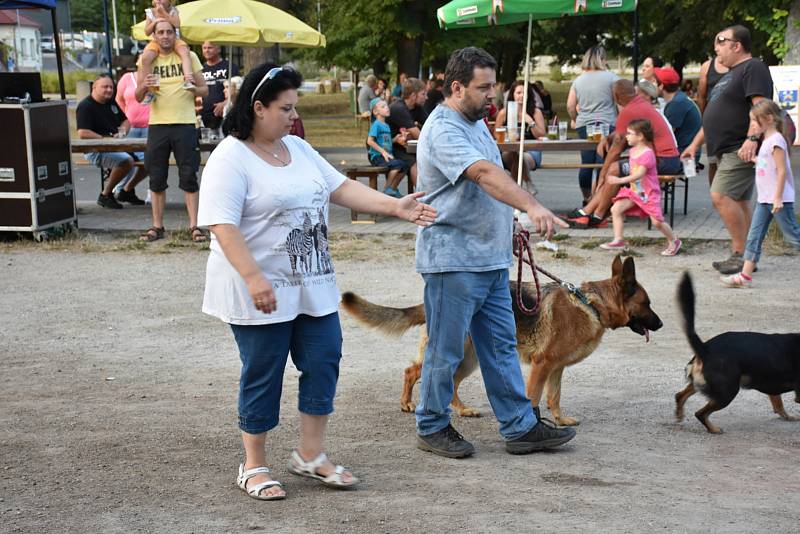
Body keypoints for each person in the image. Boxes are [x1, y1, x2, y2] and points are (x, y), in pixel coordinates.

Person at [197, 63, 436, 500]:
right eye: (286, 108)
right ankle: (253, 464)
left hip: (312, 283)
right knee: (263, 371)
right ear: (258, 107)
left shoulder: (297, 148)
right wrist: (253, 278)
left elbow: (340, 188)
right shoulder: (229, 158)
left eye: (295, 107)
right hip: (259, 289)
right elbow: (222, 225)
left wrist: (395, 207)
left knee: (324, 360)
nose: (293, 116)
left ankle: (310, 455)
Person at [414, 46, 575, 459]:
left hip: (489, 258)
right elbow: (484, 174)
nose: (492, 96)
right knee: (445, 350)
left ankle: (520, 426)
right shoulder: (443, 129)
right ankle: (431, 424)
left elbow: (494, 174)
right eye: (483, 88)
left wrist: (511, 223)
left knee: (501, 347)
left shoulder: (475, 122)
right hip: (452, 260)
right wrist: (532, 205)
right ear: (456, 87)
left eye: (493, 87)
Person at [681, 25, 774, 275]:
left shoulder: (753, 67)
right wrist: (694, 145)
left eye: (721, 43)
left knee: (720, 195)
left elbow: (762, 106)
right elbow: (713, 114)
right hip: (726, 148)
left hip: (739, 147)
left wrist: (752, 138)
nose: (716, 49)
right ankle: (748, 256)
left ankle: (740, 254)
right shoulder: (729, 75)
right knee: (740, 200)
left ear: (737, 45)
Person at [567, 79, 681, 228]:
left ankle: (596, 215)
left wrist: (602, 173)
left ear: (616, 96)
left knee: (613, 169)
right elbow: (620, 135)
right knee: (615, 170)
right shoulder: (639, 103)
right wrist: (608, 137)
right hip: (667, 159)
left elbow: (616, 148)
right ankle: (589, 213)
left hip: (662, 161)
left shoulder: (628, 111)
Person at [135, 19, 208, 242]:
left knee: (189, 175)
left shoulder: (189, 56)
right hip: (158, 124)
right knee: (156, 176)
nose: (165, 36)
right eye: (160, 32)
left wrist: (194, 88)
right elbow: (138, 97)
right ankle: (157, 226)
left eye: (169, 32)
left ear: (175, 33)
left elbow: (204, 90)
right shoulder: (147, 59)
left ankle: (194, 226)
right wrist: (145, 85)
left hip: (185, 123)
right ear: (154, 36)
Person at [720, 99, 800, 288]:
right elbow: (768, 166)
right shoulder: (767, 141)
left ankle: (744, 276)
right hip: (765, 199)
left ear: (769, 119)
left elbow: (781, 171)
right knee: (754, 237)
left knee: (793, 236)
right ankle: (744, 277)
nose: (752, 125)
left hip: (777, 200)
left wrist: (778, 198)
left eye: (755, 121)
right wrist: (755, 159)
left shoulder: (776, 141)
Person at [599, 119, 682, 256]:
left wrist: (619, 180)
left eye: (630, 133)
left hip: (649, 193)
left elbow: (639, 174)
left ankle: (674, 240)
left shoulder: (647, 154)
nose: (626, 136)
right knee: (616, 209)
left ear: (640, 136)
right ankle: (618, 240)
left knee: (657, 222)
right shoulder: (633, 151)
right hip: (635, 192)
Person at [77, 74, 148, 209]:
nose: (109, 90)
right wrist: (104, 140)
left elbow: (126, 121)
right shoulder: (86, 106)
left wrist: (122, 132)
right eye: (105, 87)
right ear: (94, 87)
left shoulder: (111, 103)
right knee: (126, 161)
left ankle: (126, 191)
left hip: (117, 147)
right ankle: (105, 195)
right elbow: (82, 133)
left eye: (111, 87)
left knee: (151, 159)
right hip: (95, 150)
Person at [567, 45, 619, 203]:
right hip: (607, 124)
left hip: (584, 125)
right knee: (603, 162)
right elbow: (620, 104)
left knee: (586, 162)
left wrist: (575, 119)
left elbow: (570, 105)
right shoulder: (612, 78)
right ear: (602, 59)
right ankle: (600, 199)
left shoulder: (578, 80)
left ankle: (586, 198)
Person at [493, 80, 546, 190]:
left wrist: (530, 122)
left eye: (524, 92)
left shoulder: (535, 112)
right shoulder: (504, 113)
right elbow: (496, 135)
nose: (521, 96)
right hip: (508, 151)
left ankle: (513, 197)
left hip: (531, 151)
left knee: (518, 158)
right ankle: (529, 183)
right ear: (513, 94)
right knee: (515, 153)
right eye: (518, 93)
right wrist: (508, 136)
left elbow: (541, 134)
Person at [139, 0, 195, 103]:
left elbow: (177, 24)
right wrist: (155, 21)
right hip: (156, 42)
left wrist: (163, 13)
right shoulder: (150, 12)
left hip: (175, 39)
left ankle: (188, 79)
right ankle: (150, 90)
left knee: (184, 52)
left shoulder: (173, 10)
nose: (159, 0)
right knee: (146, 58)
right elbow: (147, 32)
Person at [113, 69, 151, 205]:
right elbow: (119, 99)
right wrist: (126, 116)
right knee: (129, 159)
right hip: (131, 127)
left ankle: (127, 189)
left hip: (150, 126)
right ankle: (119, 190)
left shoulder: (154, 77)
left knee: (146, 160)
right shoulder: (127, 78)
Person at [387, 77, 427, 188]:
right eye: (423, 94)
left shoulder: (417, 108)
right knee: (413, 161)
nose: (426, 97)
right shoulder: (398, 108)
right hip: (388, 146)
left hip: (403, 145)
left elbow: (430, 126)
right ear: (413, 96)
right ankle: (422, 196)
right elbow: (418, 135)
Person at [697, 56, 730, 186]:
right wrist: (705, 117)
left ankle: (728, 196)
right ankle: (715, 196)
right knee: (713, 162)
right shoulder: (707, 66)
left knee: (730, 161)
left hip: (733, 120)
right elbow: (702, 96)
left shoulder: (740, 65)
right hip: (714, 122)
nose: (719, 48)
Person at [367, 97, 409, 198]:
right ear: (376, 111)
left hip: (387, 155)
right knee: (397, 165)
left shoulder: (386, 125)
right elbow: (370, 141)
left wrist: (395, 139)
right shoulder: (376, 125)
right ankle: (387, 189)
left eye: (387, 106)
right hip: (377, 156)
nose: (387, 108)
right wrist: (383, 152)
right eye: (383, 106)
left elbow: (386, 140)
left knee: (405, 165)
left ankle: (393, 188)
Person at [654, 67, 702, 155]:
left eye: (655, 82)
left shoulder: (676, 104)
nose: (652, 84)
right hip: (685, 151)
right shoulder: (679, 98)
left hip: (683, 155)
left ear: (661, 86)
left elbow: (664, 135)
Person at [200, 41, 239, 130]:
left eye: (210, 48)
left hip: (225, 117)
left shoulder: (229, 67)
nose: (207, 50)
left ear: (218, 49)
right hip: (204, 118)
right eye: (204, 48)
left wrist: (225, 104)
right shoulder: (201, 69)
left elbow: (238, 90)